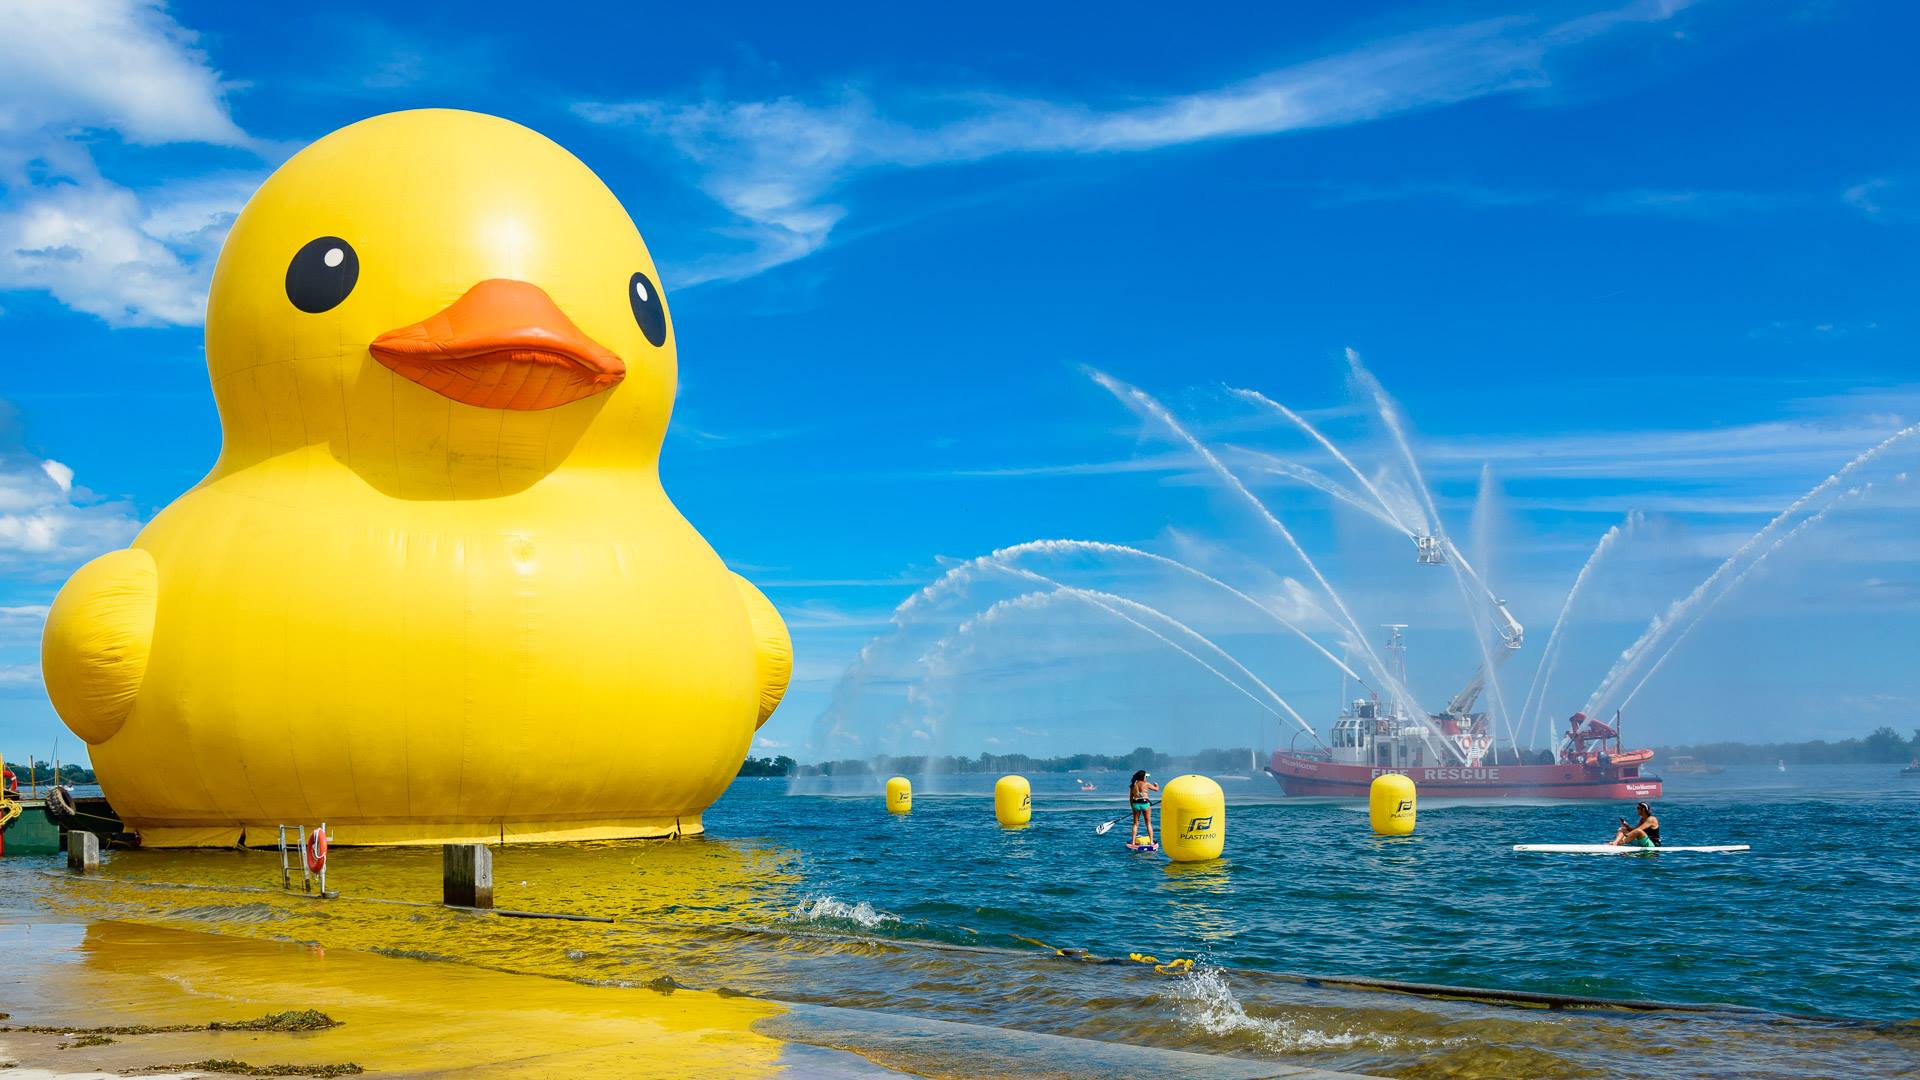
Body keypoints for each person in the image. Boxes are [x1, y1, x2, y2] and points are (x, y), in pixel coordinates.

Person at [1128, 770, 1160, 847]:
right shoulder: (1146, 784)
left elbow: (1130, 798)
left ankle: (1132, 842)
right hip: (1145, 804)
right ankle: (1151, 842)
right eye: (1146, 776)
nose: (1146, 778)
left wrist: (1132, 806)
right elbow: (1156, 789)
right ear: (1142, 777)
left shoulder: (1133, 785)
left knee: (1135, 824)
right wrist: (1156, 785)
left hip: (1135, 804)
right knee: (1148, 823)